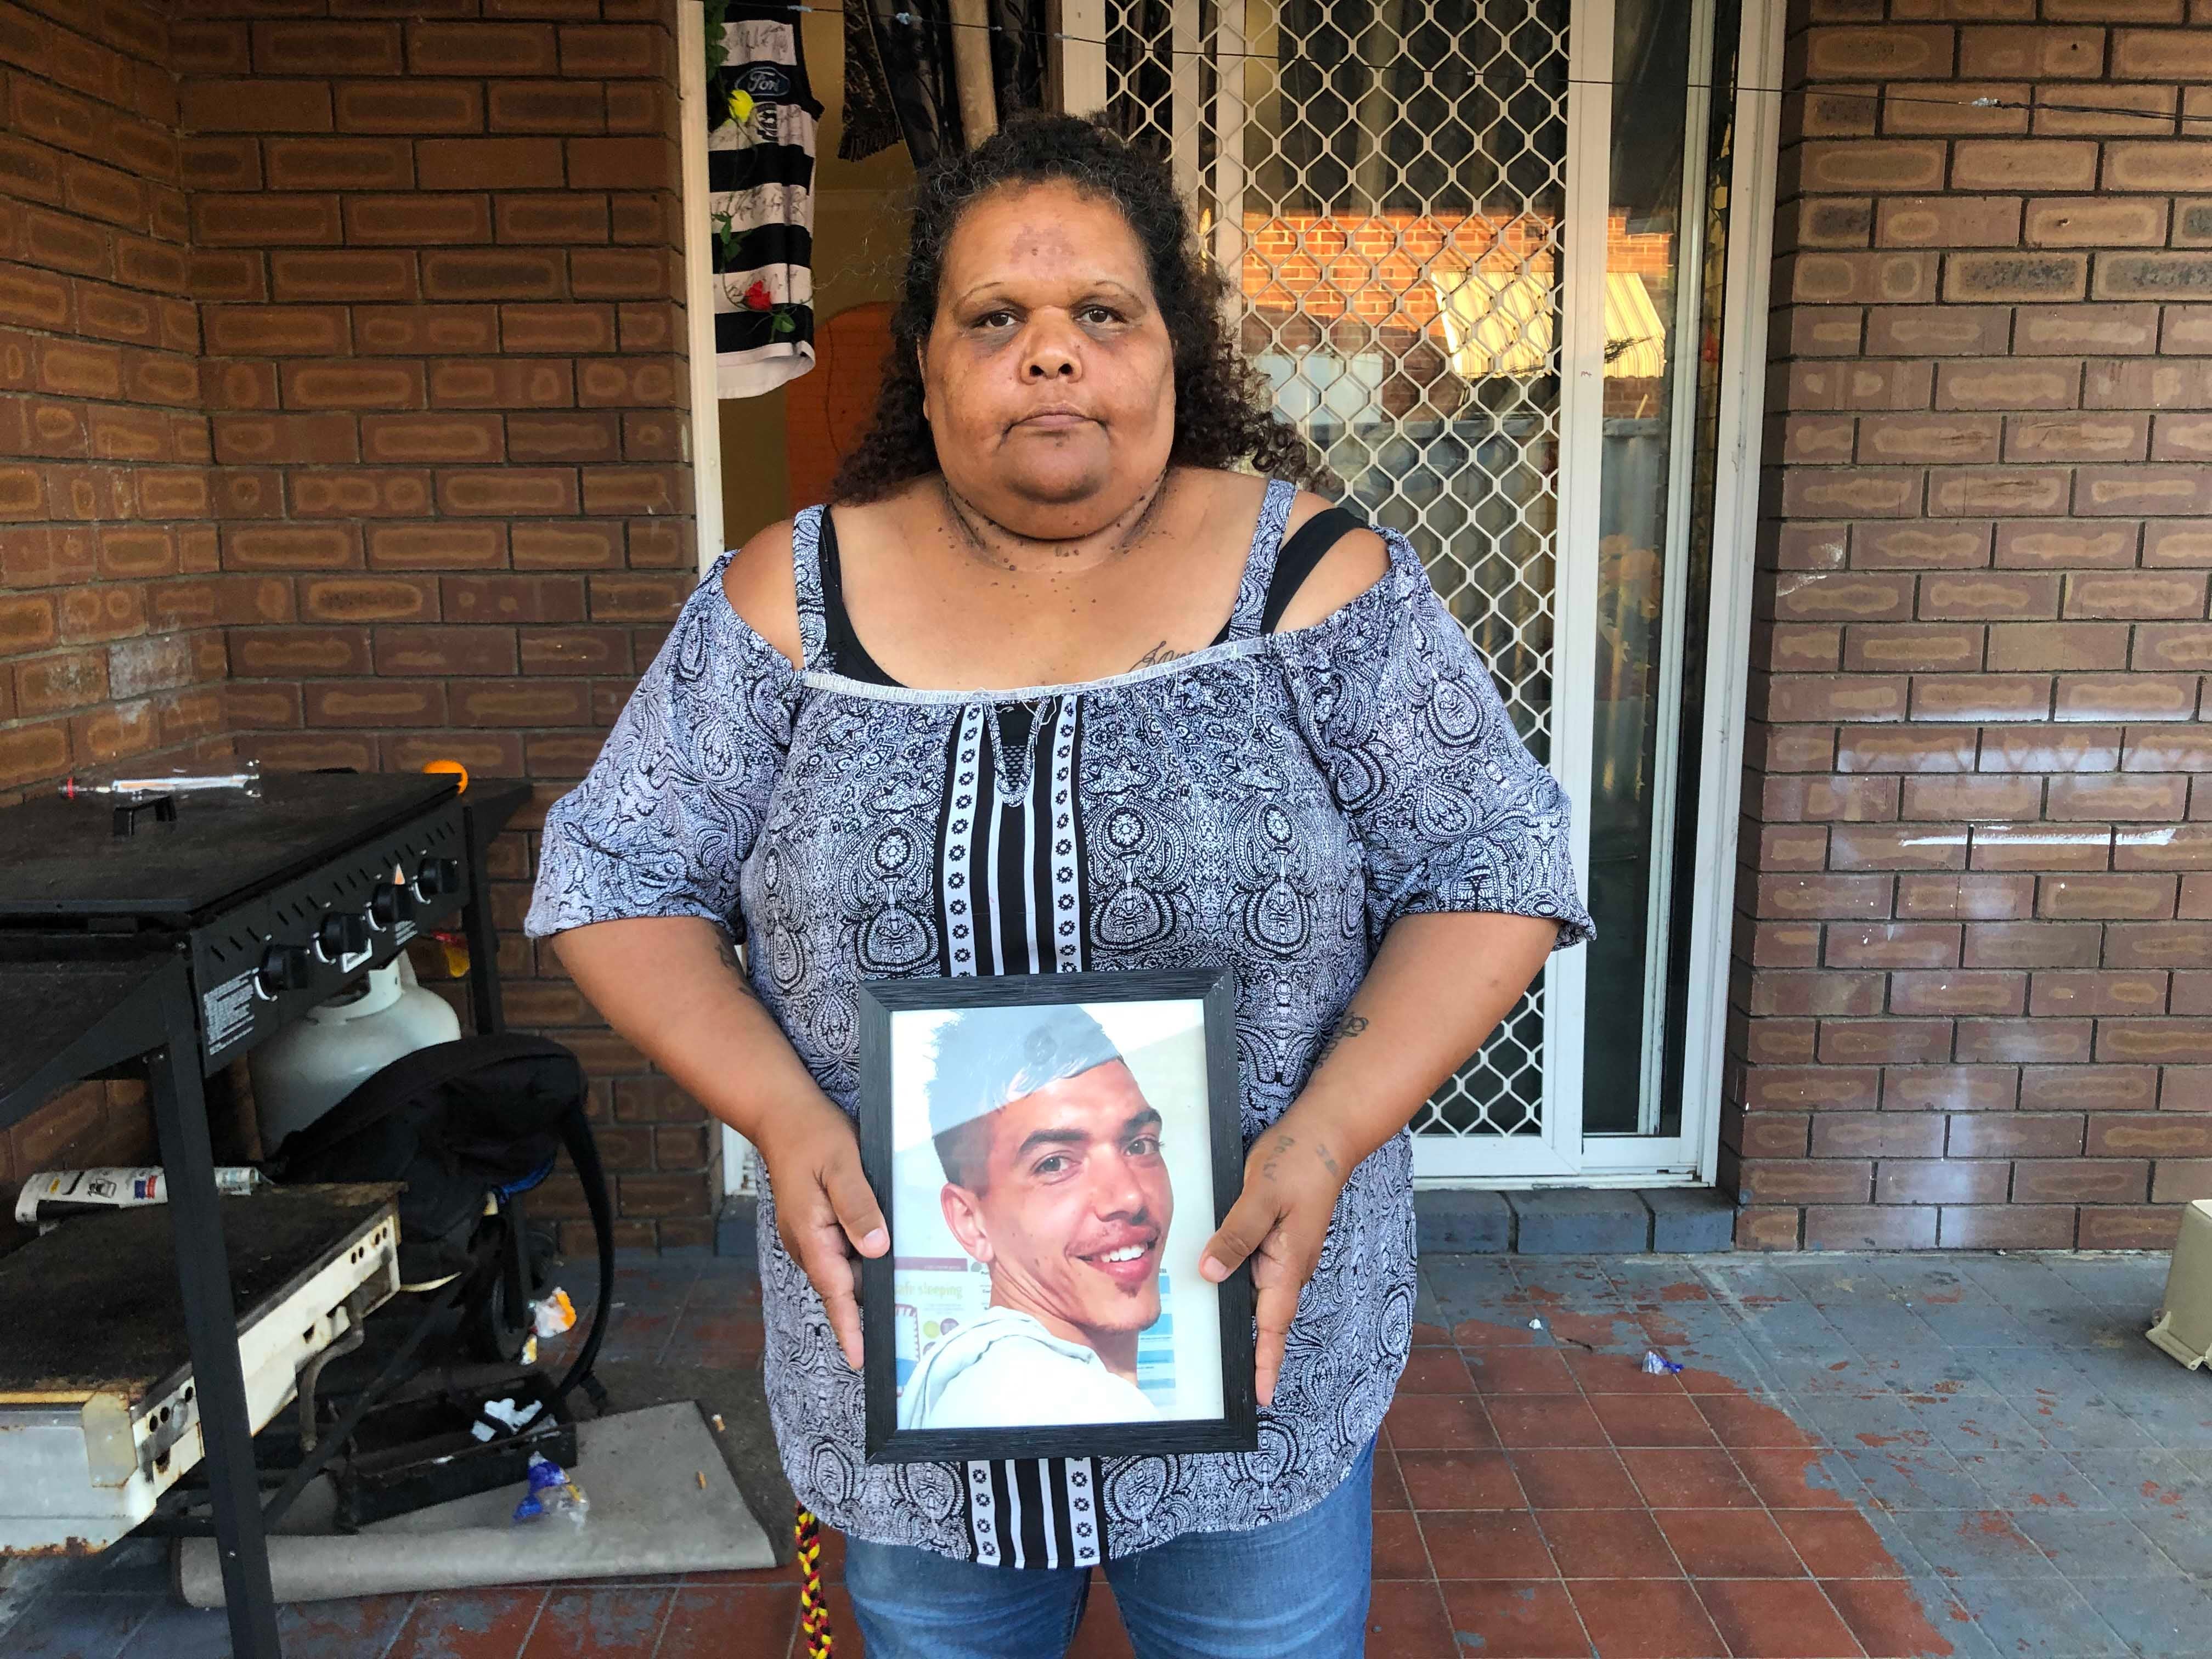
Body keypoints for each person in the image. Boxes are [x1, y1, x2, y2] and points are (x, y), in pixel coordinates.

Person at [528, 111, 1590, 1659]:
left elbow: (1494, 861)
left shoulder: (1315, 581)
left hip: (1253, 1351)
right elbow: (616, 876)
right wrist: (783, 1109)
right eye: (995, 321)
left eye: (1101, 313)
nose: (1050, 357)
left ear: (1172, 352)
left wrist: (1326, 1136)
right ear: (929, 365)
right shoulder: (788, 602)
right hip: (912, 1357)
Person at [902, 1003, 1171, 1430]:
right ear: (970, 1222)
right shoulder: (1071, 1409)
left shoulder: (968, 1381)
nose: (1129, 1195)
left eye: (1139, 1145)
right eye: (1054, 1164)